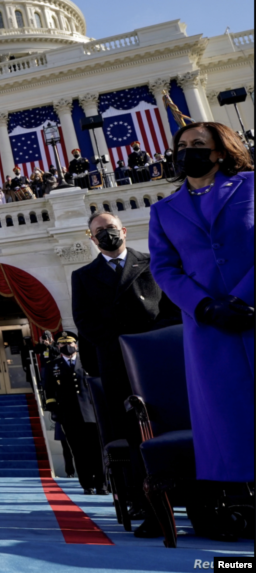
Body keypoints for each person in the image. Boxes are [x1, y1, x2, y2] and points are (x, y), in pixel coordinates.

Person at [148, 122, 254, 486]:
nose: (186, 151)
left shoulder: (251, 185)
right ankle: (240, 495)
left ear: (220, 151)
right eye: (181, 146)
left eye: (197, 144)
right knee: (228, 415)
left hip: (251, 311)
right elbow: (164, 268)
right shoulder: (163, 211)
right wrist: (205, 306)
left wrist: (242, 297)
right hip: (209, 327)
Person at [72, 211, 181, 534]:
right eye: (99, 232)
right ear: (91, 239)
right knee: (136, 437)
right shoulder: (83, 276)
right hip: (119, 364)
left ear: (124, 229)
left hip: (160, 361)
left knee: (172, 426)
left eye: (111, 228)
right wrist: (123, 343)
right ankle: (151, 508)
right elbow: (86, 322)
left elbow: (172, 309)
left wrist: (149, 341)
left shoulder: (151, 262)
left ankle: (198, 503)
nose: (107, 235)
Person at [43, 333, 106, 495]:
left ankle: (101, 483)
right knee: (79, 451)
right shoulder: (52, 366)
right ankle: (87, 484)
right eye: (63, 345)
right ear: (58, 347)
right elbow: (49, 391)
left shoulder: (88, 362)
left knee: (96, 450)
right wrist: (54, 411)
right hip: (69, 415)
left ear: (76, 345)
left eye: (70, 343)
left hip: (91, 413)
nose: (67, 347)